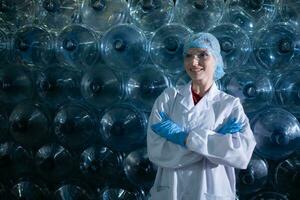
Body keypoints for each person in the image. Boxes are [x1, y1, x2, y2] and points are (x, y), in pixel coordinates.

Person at [147, 32, 256, 200]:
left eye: (203, 55)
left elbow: (241, 155)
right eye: (188, 56)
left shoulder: (230, 105)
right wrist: (216, 143)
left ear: (217, 60)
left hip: (213, 191)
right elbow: (156, 151)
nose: (193, 62)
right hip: (172, 191)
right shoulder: (168, 98)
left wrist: (184, 138)